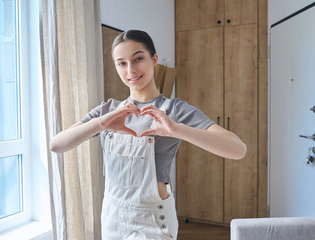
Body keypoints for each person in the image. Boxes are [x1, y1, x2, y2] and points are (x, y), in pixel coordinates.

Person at [50, 30, 247, 240]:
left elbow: (238, 149)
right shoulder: (108, 110)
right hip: (112, 218)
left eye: (138, 59)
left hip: (152, 220)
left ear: (154, 59)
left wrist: (176, 129)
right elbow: (57, 145)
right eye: (122, 63)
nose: (131, 70)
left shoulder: (174, 110)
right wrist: (100, 123)